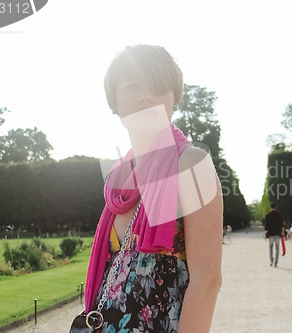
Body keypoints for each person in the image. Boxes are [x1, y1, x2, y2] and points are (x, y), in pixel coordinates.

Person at [76, 44, 223, 333]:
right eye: (132, 86)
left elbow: (207, 281)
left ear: (174, 97)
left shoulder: (190, 163)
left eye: (157, 86)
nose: (145, 96)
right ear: (114, 102)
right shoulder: (118, 176)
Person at [264, 203, 285, 267]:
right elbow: (282, 225)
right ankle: (276, 262)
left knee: (271, 247)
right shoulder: (280, 215)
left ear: (270, 207)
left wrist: (265, 235)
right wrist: (282, 232)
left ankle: (271, 261)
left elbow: (266, 227)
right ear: (276, 207)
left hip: (270, 234)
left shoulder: (267, 215)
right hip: (278, 233)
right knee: (277, 248)